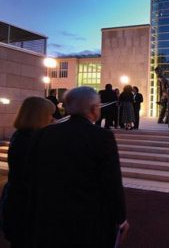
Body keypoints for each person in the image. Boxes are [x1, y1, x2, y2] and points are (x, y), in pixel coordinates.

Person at [24, 87, 128, 247]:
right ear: (94, 109)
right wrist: (120, 218)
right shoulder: (101, 136)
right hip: (87, 219)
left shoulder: (43, 133)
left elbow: (31, 176)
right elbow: (111, 181)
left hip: (48, 216)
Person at [1, 97, 55, 248]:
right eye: (49, 114)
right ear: (38, 116)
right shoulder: (29, 141)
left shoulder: (22, 136)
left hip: (19, 203)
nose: (52, 119)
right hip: (26, 208)